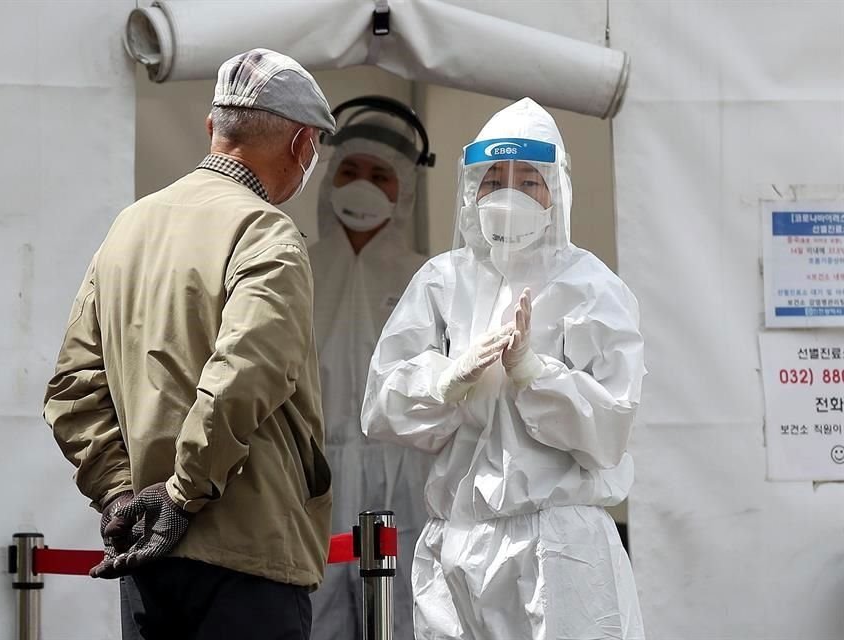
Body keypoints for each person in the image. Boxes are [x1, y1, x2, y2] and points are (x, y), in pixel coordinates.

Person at [43, 48, 335, 640]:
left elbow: (74, 384)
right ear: (304, 144)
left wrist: (121, 494)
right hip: (248, 554)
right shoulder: (264, 230)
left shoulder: (130, 226)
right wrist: (180, 494)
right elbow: (245, 373)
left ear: (212, 128)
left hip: (147, 558)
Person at [361, 98, 646, 639]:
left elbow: (610, 428)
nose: (509, 192)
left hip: (557, 549)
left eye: (529, 180)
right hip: (455, 544)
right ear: (472, 189)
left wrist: (533, 374)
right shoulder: (442, 281)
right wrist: (445, 381)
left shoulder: (591, 287)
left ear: (555, 191)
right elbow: (380, 407)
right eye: (494, 178)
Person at [308, 97, 434, 640]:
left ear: (402, 189)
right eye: (350, 170)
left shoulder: (425, 276)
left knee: (403, 611)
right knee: (313, 611)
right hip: (315, 475)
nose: (362, 185)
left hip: (402, 475)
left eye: (379, 175)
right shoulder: (296, 265)